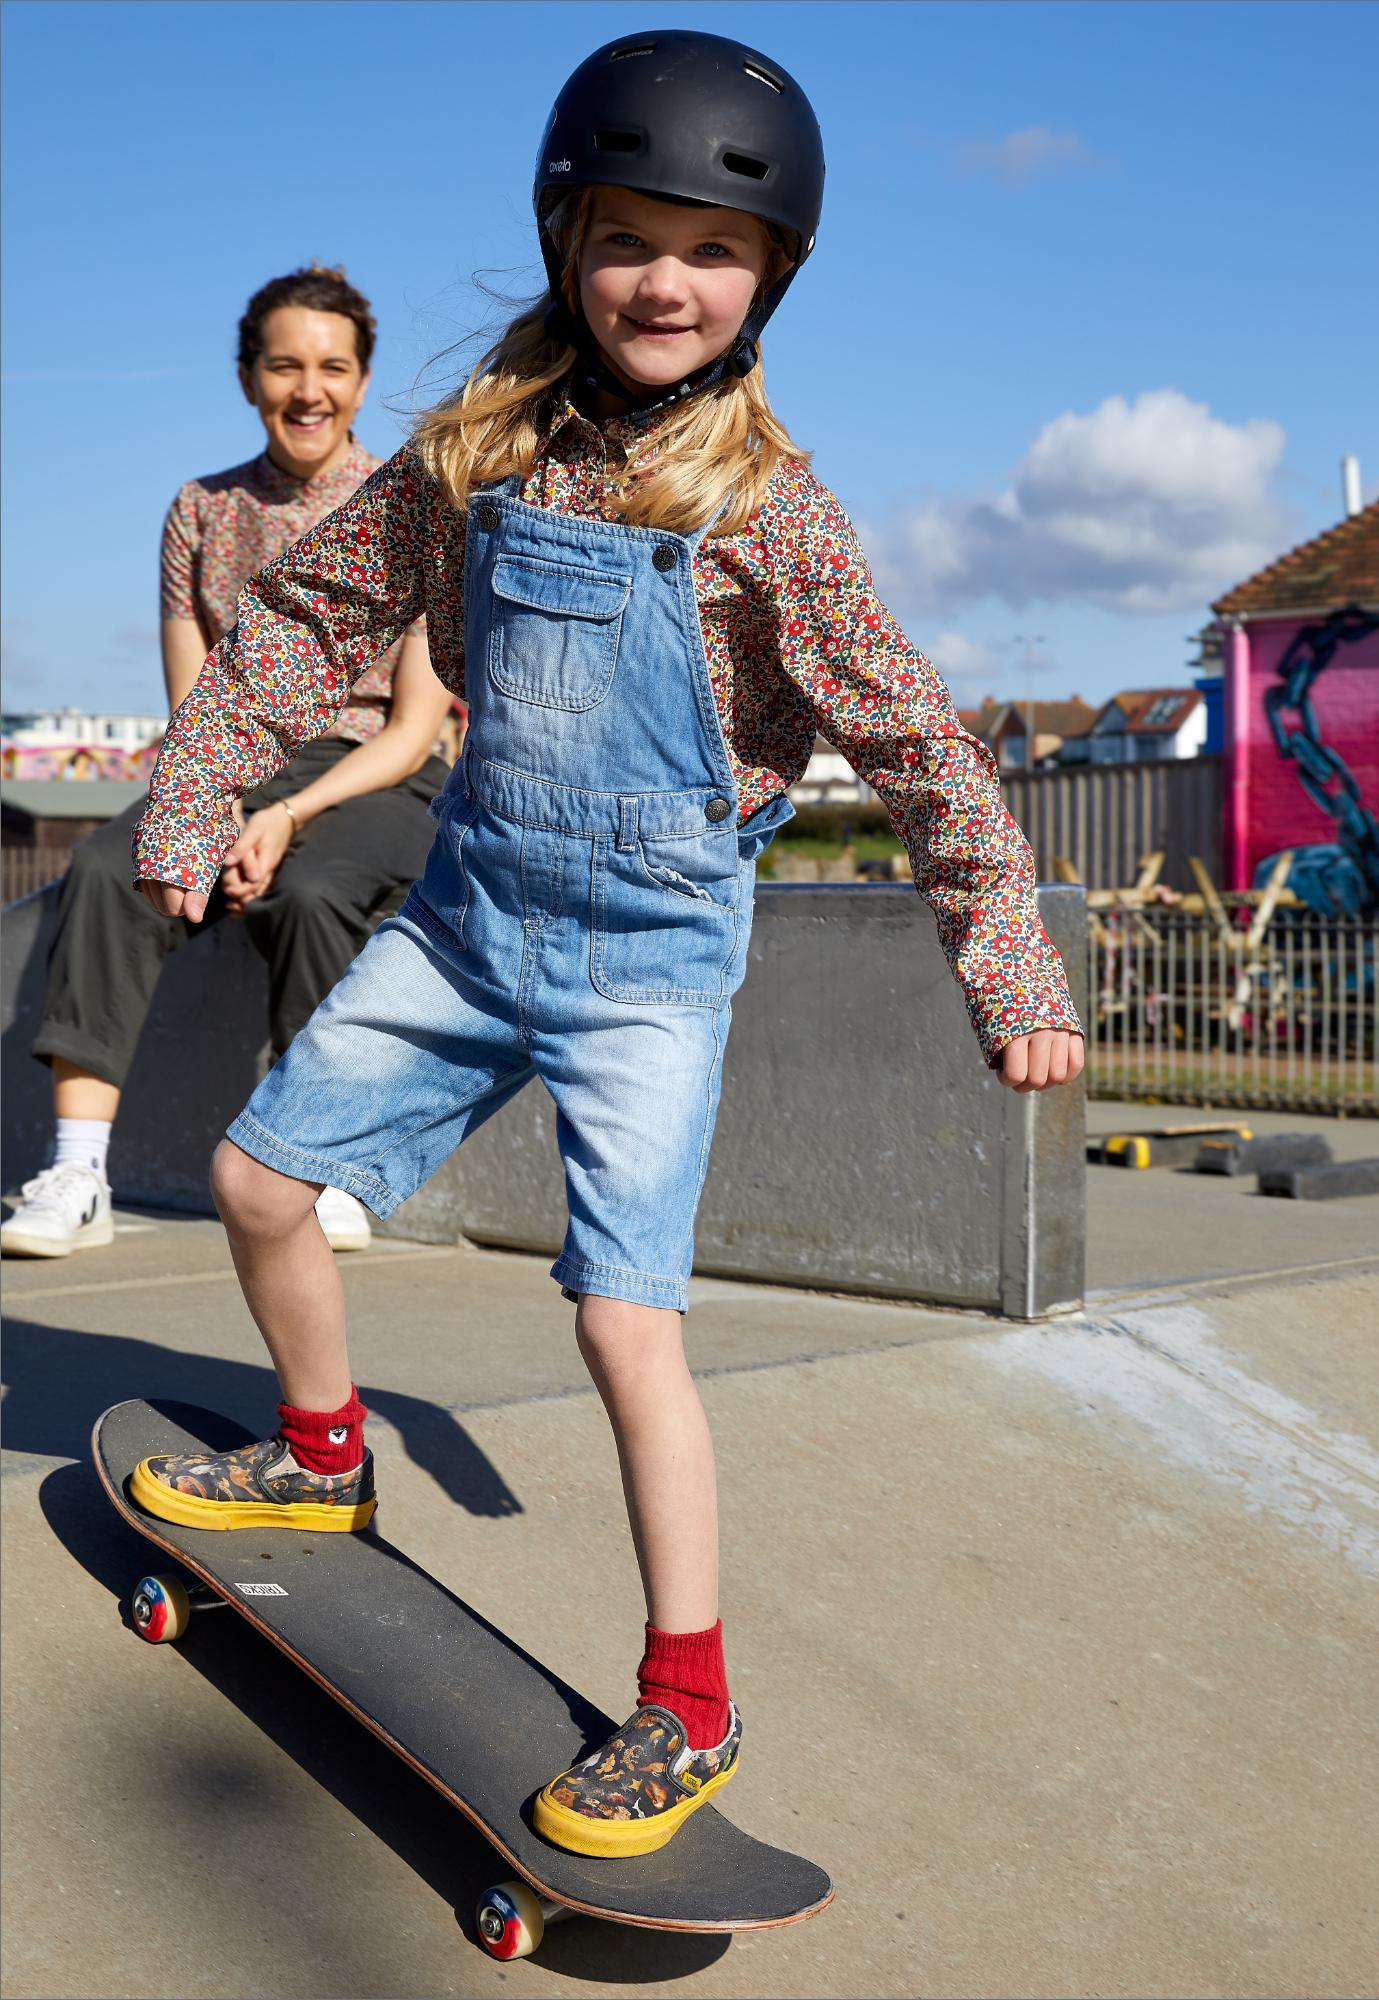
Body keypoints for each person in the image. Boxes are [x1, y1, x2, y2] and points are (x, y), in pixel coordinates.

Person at [124, 32, 1084, 1856]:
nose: (667, 279)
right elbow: (300, 620)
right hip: (477, 916)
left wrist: (1008, 962)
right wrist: (191, 793)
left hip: (652, 961)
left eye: (712, 251)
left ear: (770, 279)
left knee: (622, 1321)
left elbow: (921, 746)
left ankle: (690, 1702)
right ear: (568, 237)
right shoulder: (473, 454)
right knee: (259, 1182)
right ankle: (325, 1455)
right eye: (631, 235)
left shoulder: (771, 512)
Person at [2, 265, 453, 1261]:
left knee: (316, 889)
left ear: (363, 382)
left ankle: (320, 1163)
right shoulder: (198, 511)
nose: (309, 388)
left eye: (333, 366)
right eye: (284, 365)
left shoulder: (413, 504)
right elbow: (196, 703)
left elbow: (414, 728)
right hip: (234, 760)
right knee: (109, 870)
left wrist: (286, 816)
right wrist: (213, 810)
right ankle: (78, 1169)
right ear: (249, 378)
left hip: (374, 771)